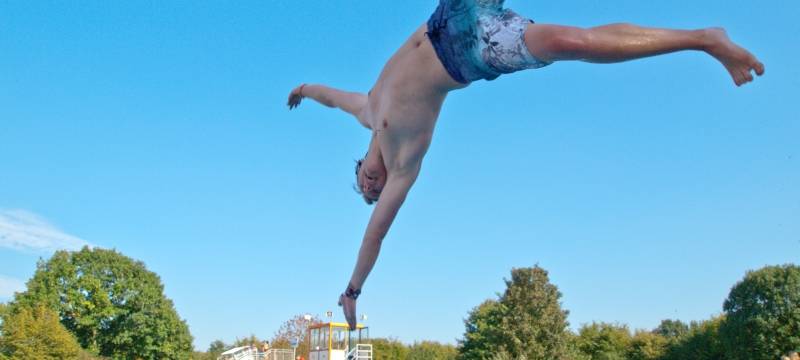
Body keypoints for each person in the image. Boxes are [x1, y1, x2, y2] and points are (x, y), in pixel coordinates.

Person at [287, 0, 763, 330]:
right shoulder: (405, 164)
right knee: (571, 41)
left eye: (364, 186)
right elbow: (375, 236)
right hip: (473, 49)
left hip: (446, 18)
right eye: (374, 193)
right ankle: (704, 40)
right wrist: (352, 290)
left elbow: (329, 97)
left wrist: (303, 90)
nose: (372, 188)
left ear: (359, 162)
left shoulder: (367, 110)